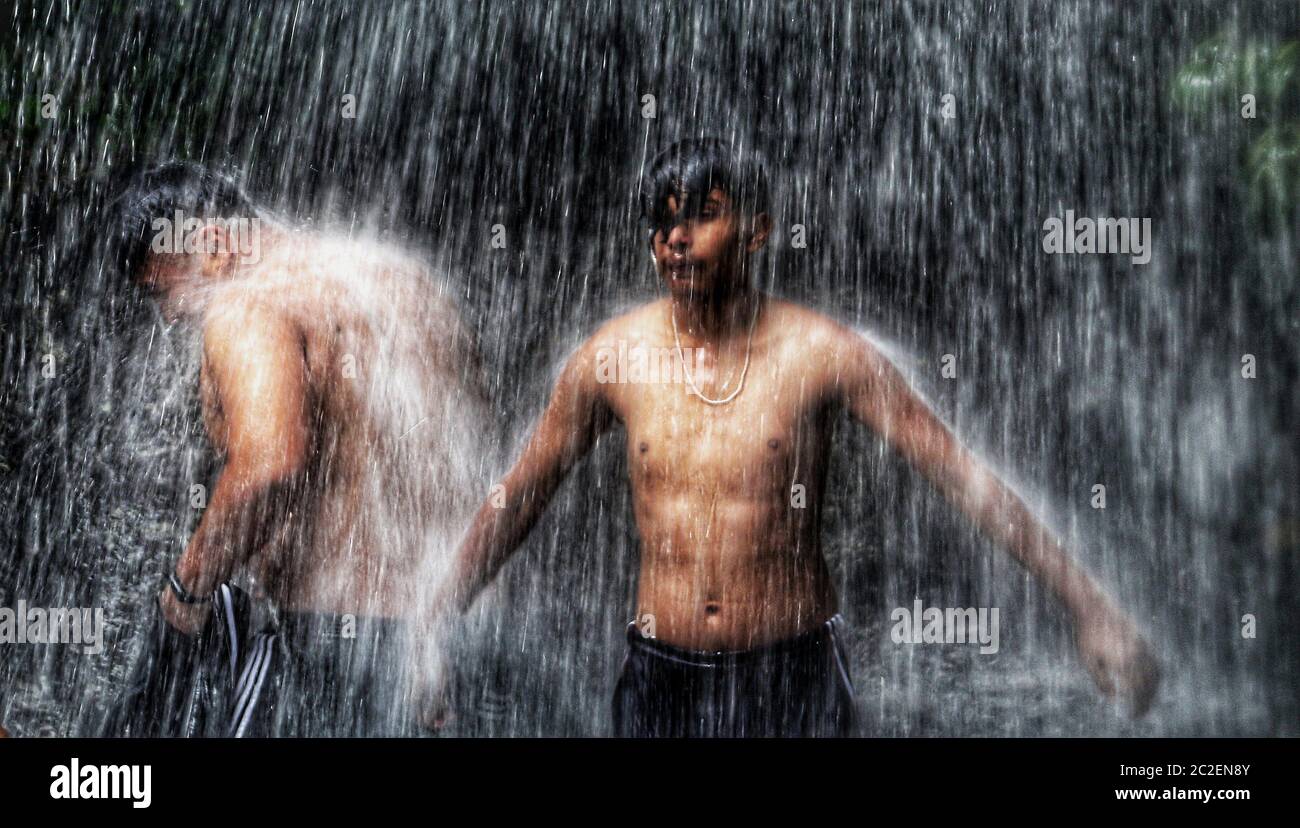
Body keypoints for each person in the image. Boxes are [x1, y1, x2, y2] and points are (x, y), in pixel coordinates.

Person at [426, 137, 1160, 737]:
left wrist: (1088, 606)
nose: (676, 239)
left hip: (793, 676)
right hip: (660, 680)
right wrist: (434, 625)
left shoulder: (825, 355)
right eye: (662, 222)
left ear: (757, 228)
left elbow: (961, 475)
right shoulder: (612, 358)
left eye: (702, 215)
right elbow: (518, 494)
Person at [107, 162, 486, 736]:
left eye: (162, 292)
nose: (170, 316)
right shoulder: (402, 283)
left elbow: (270, 463)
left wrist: (186, 592)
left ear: (211, 246)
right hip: (456, 651)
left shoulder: (245, 304)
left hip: (339, 657)